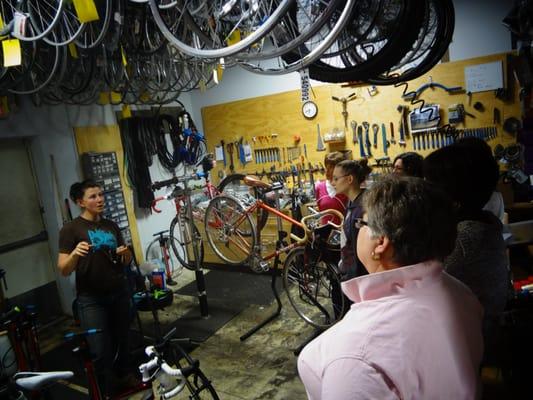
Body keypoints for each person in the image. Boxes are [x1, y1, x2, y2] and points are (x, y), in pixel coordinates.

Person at [298, 176, 483, 399]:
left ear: (381, 243)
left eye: (361, 224)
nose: (358, 231)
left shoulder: (356, 357)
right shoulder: (459, 292)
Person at [424, 142, 510, 361]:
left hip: (465, 349)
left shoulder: (464, 239)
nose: (425, 192)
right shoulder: (482, 224)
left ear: (453, 194)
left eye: (430, 185)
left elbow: (426, 298)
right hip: (476, 337)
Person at [58, 179, 134, 395]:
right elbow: (63, 269)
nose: (100, 199)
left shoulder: (111, 226)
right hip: (91, 299)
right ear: (80, 201)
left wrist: (126, 256)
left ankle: (125, 374)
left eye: (101, 195)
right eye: (93, 196)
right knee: (99, 348)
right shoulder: (70, 229)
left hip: (118, 292)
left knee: (123, 338)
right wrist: (74, 254)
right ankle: (101, 389)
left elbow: (124, 262)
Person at [330, 159, 372, 317]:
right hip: (352, 274)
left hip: (361, 279)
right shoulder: (352, 202)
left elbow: (363, 250)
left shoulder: (363, 208)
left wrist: (353, 279)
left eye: (336, 178)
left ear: (349, 179)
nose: (332, 182)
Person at [314, 151, 348, 225]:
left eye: (331, 168)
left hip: (345, 231)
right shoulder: (319, 188)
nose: (328, 171)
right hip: (325, 232)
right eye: (327, 167)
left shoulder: (347, 187)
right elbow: (320, 210)